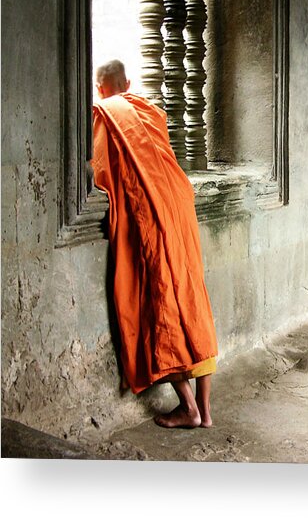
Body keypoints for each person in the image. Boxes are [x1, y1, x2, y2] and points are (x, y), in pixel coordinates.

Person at [91, 59, 218, 429]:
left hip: (151, 215)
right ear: (127, 83)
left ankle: (189, 409)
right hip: (179, 205)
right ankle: (206, 412)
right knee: (193, 298)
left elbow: (101, 171)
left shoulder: (104, 115)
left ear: (100, 89)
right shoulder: (148, 110)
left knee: (163, 304)